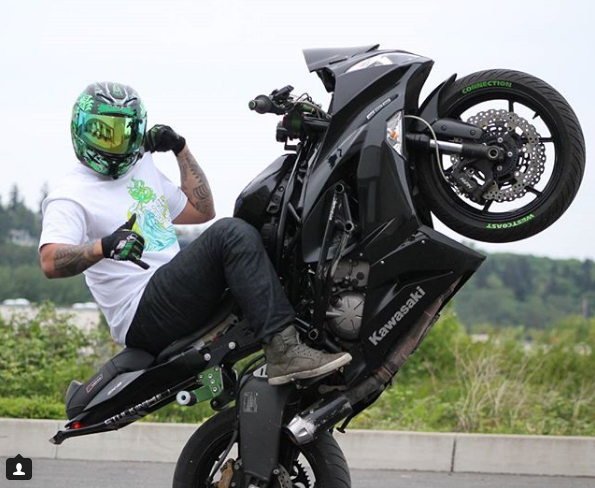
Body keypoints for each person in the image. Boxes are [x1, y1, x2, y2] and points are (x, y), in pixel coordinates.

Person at [39, 81, 351, 385]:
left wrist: (180, 148)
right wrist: (103, 246)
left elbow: (201, 210)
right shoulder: (71, 195)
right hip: (139, 313)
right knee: (229, 234)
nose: (115, 143)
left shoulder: (139, 168)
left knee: (267, 232)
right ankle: (285, 352)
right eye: (104, 133)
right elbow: (51, 261)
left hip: (172, 290)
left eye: (125, 132)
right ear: (81, 129)